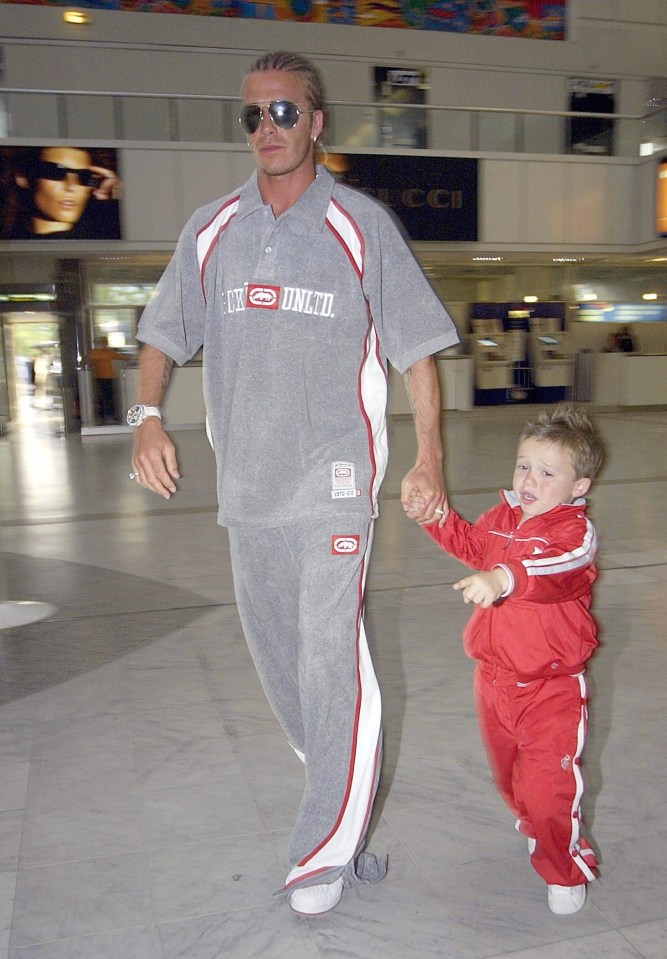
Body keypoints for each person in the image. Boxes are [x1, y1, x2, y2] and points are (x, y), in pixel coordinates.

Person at [129, 51, 459, 916]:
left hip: (333, 485)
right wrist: (147, 418)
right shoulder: (210, 229)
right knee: (284, 669)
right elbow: (162, 333)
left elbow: (417, 350)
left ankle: (317, 851)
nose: (266, 128)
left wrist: (428, 458)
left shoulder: (359, 224)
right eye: (252, 115)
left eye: (284, 112)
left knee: (329, 657)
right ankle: (343, 804)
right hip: (250, 492)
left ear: (316, 123)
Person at [405, 405, 605, 916]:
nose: (529, 479)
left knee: (548, 786)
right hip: (493, 682)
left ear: (579, 487)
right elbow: (474, 544)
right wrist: (435, 515)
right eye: (523, 465)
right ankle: (534, 824)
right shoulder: (503, 518)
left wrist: (506, 578)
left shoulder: (574, 535)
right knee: (510, 777)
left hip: (552, 688)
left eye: (547, 471)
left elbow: (554, 568)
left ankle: (564, 865)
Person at [1, 145, 121, 239]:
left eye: (85, 176)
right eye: (55, 172)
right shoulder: (9, 240)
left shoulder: (109, 235)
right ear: (23, 178)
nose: (71, 186)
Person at [85, 336, 130, 424]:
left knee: (109, 398)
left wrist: (131, 358)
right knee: (102, 398)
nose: (104, 344)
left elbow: (120, 357)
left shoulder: (108, 352)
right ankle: (103, 417)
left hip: (109, 378)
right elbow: (90, 359)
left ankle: (109, 416)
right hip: (99, 378)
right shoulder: (97, 353)